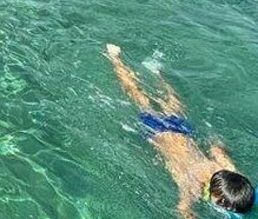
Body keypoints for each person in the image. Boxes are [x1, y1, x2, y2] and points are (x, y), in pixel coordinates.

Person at [105, 44, 254, 218]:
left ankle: (156, 72)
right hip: (157, 131)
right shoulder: (191, 184)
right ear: (215, 197)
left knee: (173, 102)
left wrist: (221, 146)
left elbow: (216, 147)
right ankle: (115, 59)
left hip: (183, 132)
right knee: (138, 96)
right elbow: (183, 209)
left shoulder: (226, 169)